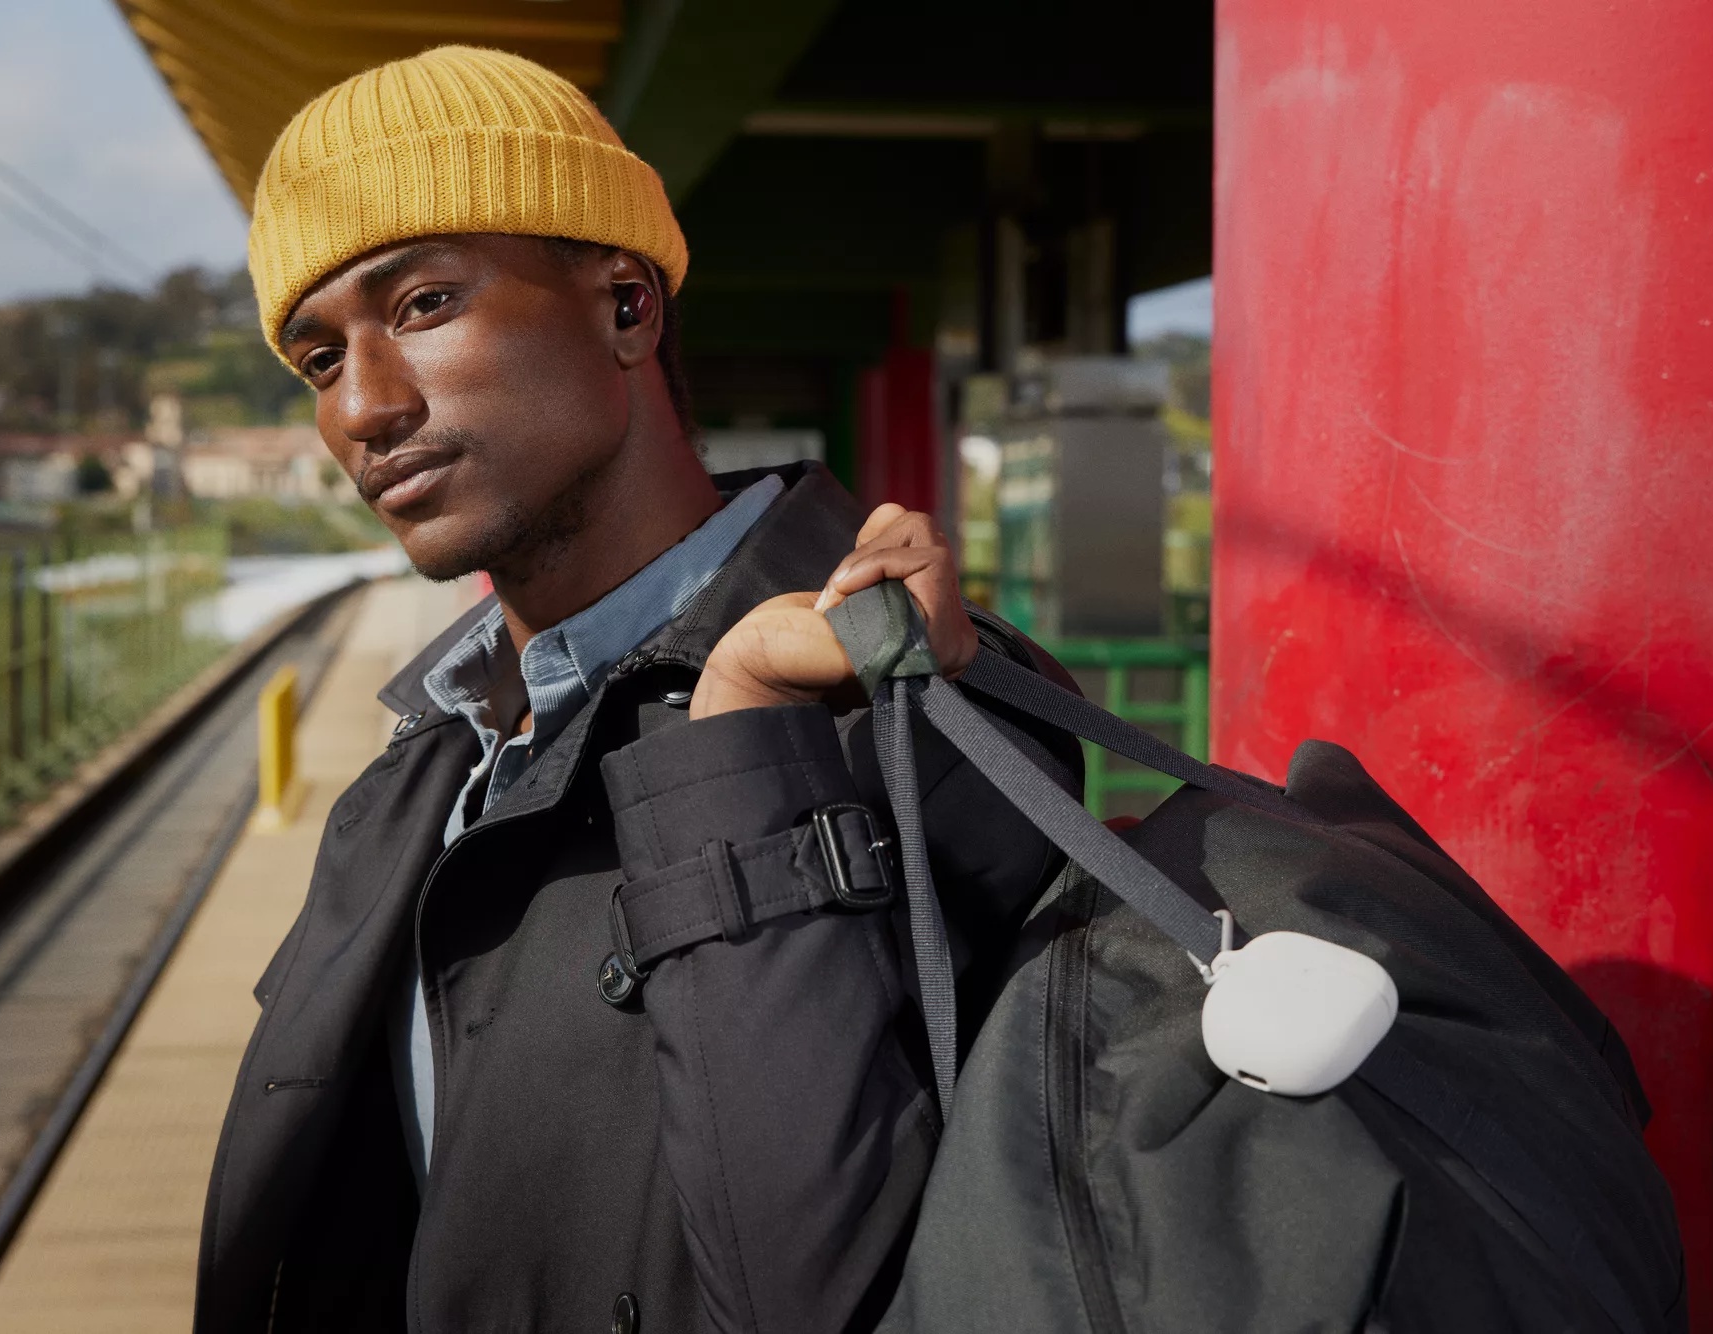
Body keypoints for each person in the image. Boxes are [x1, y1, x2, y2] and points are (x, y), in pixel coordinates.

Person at [200, 45, 1081, 1334]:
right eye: (321, 358)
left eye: (428, 302)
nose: (366, 409)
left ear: (627, 307)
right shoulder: (427, 766)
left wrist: (741, 725)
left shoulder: (934, 709)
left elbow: (823, 1287)